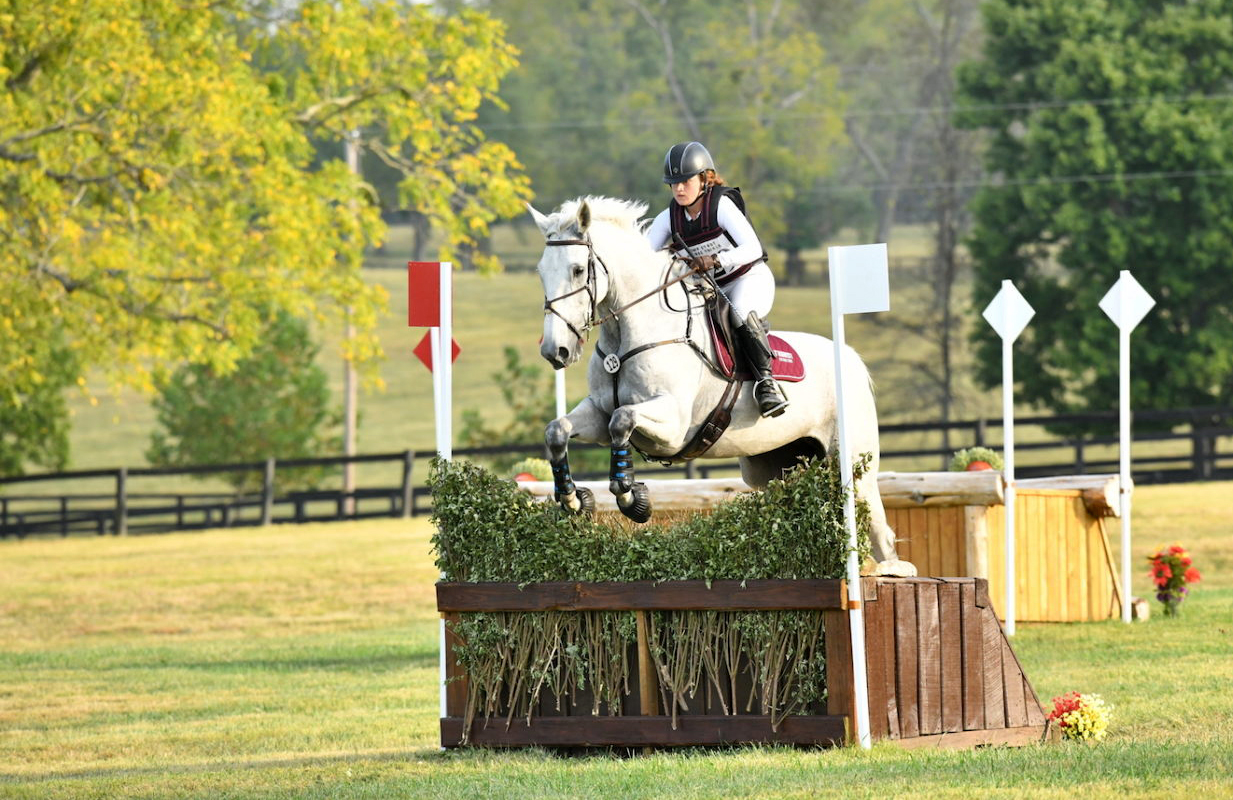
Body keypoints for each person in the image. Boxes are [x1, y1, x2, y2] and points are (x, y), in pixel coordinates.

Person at [644, 141, 789, 417]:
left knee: (739, 312)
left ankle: (766, 384)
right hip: (712, 290)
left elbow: (753, 248)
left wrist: (716, 260)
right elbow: (645, 257)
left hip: (749, 278)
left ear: (704, 178)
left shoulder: (721, 206)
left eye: (685, 181)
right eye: (673, 183)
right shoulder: (667, 219)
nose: (679, 189)